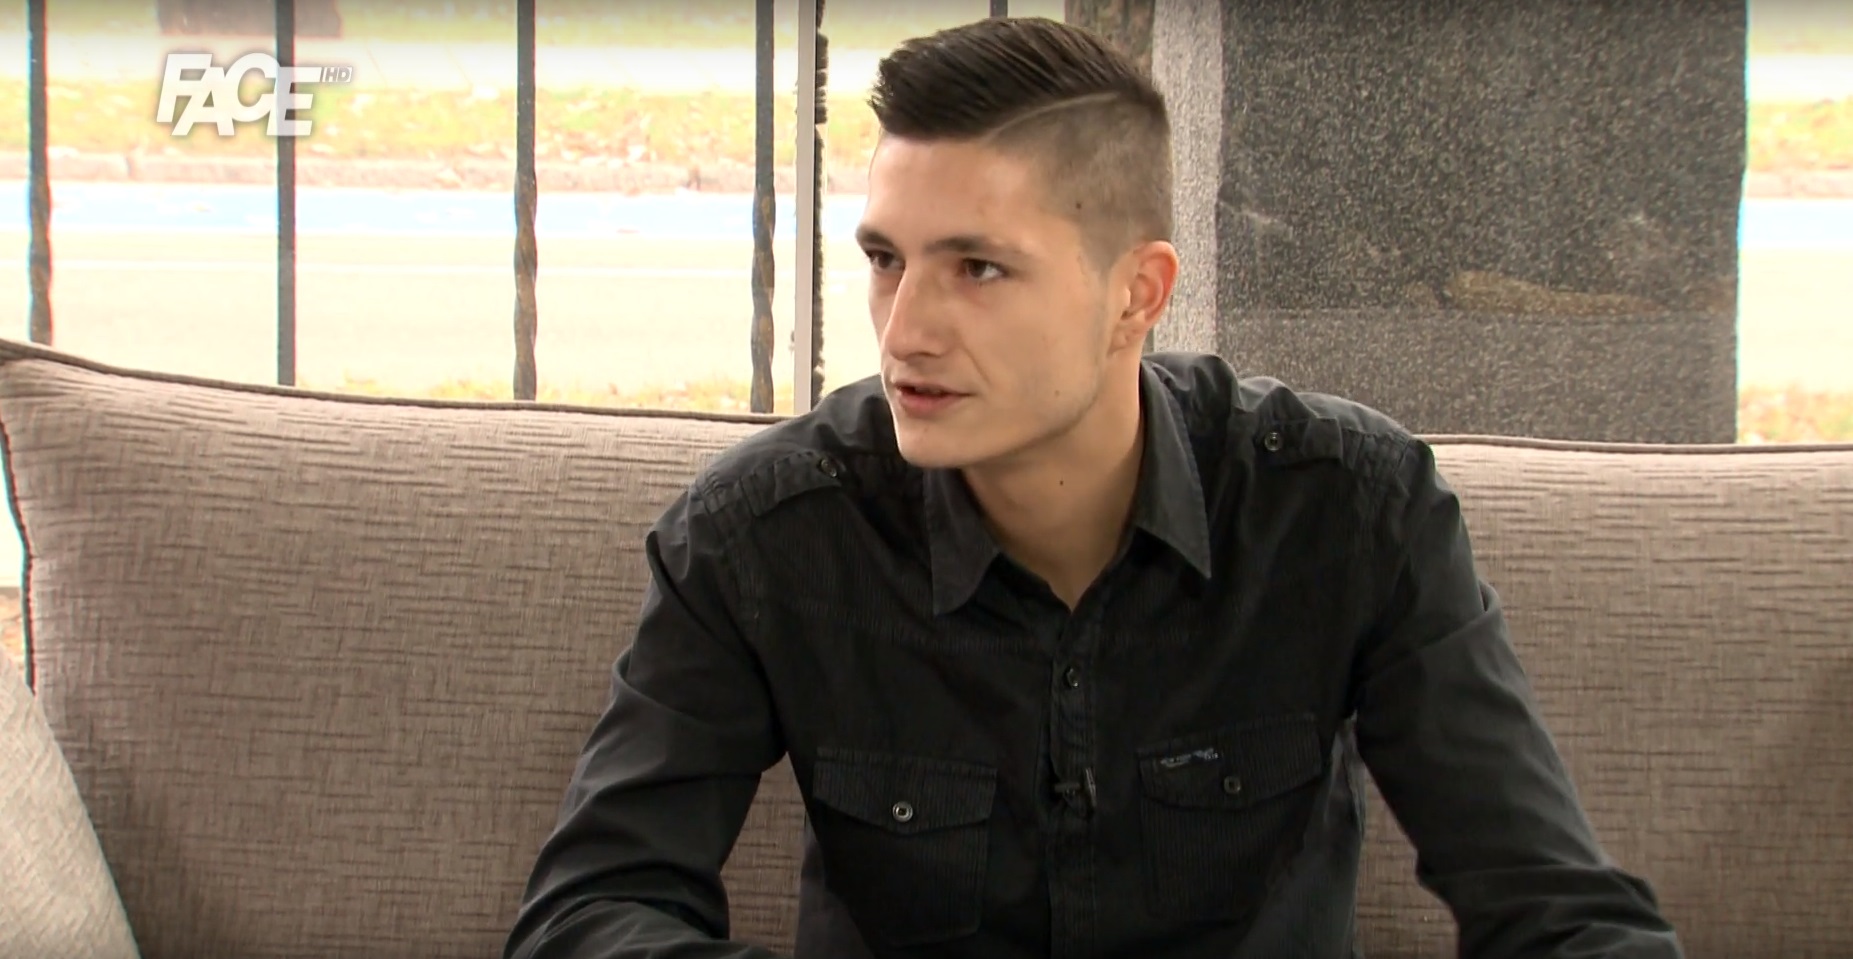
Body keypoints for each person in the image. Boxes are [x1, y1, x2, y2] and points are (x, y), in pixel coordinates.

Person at [504, 16, 1683, 959]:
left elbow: (1557, 911)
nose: (904, 330)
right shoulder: (767, 535)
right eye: (884, 260)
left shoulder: (1345, 512)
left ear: (1136, 292)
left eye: (977, 267)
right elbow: (591, 912)